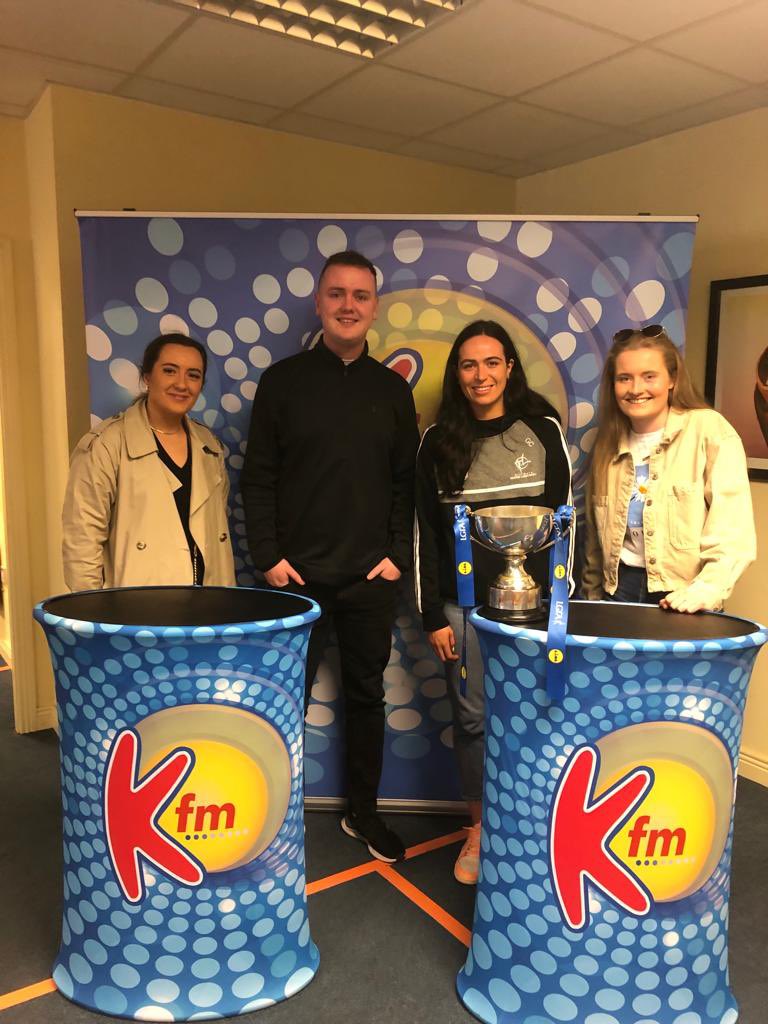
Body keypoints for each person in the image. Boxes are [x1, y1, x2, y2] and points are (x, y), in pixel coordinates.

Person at [241, 250, 419, 863]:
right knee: (281, 700)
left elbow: (406, 485)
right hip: (295, 582)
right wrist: (267, 557)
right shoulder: (283, 382)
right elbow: (258, 478)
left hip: (371, 581)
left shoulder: (393, 391)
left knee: (368, 699)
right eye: (337, 294)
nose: (348, 306)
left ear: (374, 306)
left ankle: (363, 815)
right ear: (319, 304)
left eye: (360, 296)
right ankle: (270, 817)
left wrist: (397, 554)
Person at [415, 320, 572, 884]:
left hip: (534, 608)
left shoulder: (541, 428)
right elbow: (423, 537)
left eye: (491, 362)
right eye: (468, 365)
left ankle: (532, 827)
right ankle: (478, 832)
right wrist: (432, 614)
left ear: (509, 367)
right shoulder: (436, 441)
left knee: (538, 712)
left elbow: (563, 521)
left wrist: (560, 606)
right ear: (457, 374)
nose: (480, 375)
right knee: (474, 719)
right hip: (463, 606)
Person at [582, 324, 756, 611]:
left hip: (683, 595)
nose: (636, 389)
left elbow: (733, 531)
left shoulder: (709, 430)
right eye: (624, 378)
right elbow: (594, 546)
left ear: (672, 379)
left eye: (649, 376)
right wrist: (592, 601)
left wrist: (707, 590)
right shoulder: (607, 444)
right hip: (618, 592)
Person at [62, 333, 235, 591]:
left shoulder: (210, 446)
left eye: (193, 375)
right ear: (147, 377)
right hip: (138, 612)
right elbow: (82, 540)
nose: (182, 384)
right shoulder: (106, 444)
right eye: (169, 371)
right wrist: (93, 613)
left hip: (208, 609)